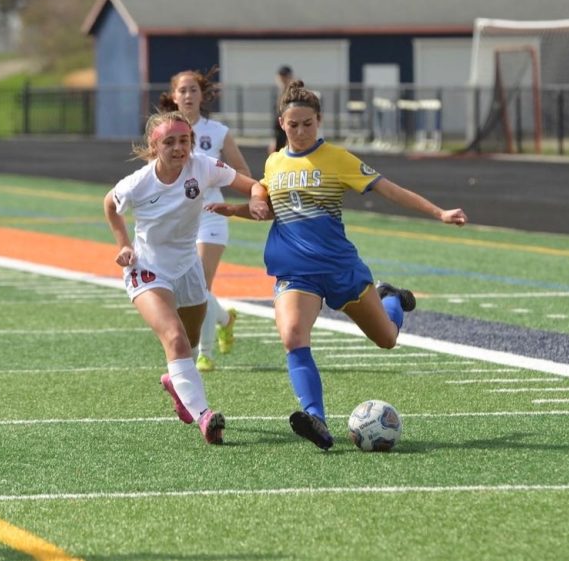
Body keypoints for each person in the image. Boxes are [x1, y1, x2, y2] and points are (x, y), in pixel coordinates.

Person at [210, 80, 467, 450]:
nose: (300, 131)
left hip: (340, 268)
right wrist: (238, 209)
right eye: (293, 124)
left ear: (320, 121)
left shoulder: (337, 158)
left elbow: (389, 189)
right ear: (281, 123)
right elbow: (271, 210)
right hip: (296, 273)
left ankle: (391, 298)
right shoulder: (274, 162)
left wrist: (438, 212)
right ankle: (316, 418)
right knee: (293, 336)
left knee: (387, 339)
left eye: (308, 124)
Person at [102, 111, 265, 444]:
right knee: (175, 339)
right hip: (147, 269)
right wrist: (123, 245)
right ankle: (206, 416)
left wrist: (258, 199)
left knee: (187, 348)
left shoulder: (203, 166)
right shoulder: (137, 183)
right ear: (153, 145)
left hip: (188, 267)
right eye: (170, 142)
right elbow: (109, 204)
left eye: (184, 140)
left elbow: (252, 185)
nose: (179, 148)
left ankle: (177, 384)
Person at [160, 67, 252, 372]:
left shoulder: (217, 132)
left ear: (202, 95)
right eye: (182, 90)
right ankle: (226, 319)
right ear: (173, 96)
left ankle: (205, 353)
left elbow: (243, 174)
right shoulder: (163, 132)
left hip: (211, 215)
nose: (187, 95)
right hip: (178, 220)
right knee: (181, 289)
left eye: (193, 90)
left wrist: (215, 175)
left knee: (198, 285)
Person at [267, 65, 293, 154]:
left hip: (288, 134)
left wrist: (289, 140)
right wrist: (274, 139)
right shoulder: (279, 93)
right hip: (278, 134)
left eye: (285, 77)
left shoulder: (292, 94)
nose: (283, 80)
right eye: (281, 77)